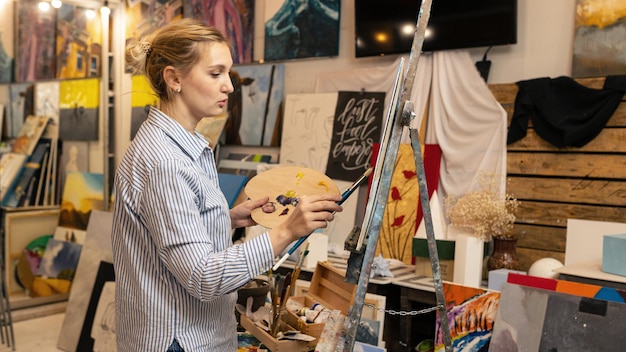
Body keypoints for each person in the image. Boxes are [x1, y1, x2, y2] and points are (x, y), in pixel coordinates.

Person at [112, 18, 342, 352]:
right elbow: (202, 278)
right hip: (181, 340)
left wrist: (226, 218)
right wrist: (285, 232)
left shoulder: (180, 147)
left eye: (228, 74)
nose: (229, 87)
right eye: (215, 73)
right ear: (174, 78)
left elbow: (163, 231)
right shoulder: (167, 162)